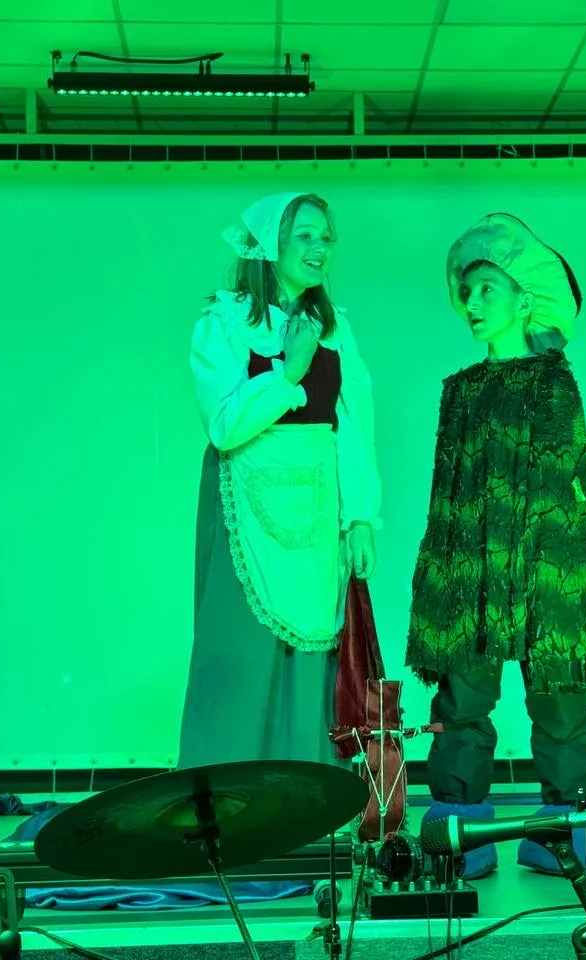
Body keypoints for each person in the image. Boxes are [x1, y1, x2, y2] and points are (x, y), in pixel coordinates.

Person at [406, 213, 586, 879]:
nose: (472, 303)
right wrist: (444, 581)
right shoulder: (459, 392)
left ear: (524, 299)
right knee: (461, 702)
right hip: (470, 572)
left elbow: (565, 489)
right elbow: (447, 496)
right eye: (467, 291)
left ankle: (566, 827)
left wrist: (549, 581)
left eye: (488, 289)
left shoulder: (553, 383)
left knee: (561, 698)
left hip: (544, 569)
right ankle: (459, 831)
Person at [178, 191, 381, 772]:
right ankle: (229, 795)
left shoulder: (335, 328)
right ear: (272, 245)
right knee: (241, 651)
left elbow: (353, 427)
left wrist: (360, 517)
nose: (321, 248)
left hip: (316, 513)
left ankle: (307, 794)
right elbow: (224, 426)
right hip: (245, 504)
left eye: (326, 238)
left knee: (311, 650)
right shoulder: (224, 321)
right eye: (306, 236)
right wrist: (288, 373)